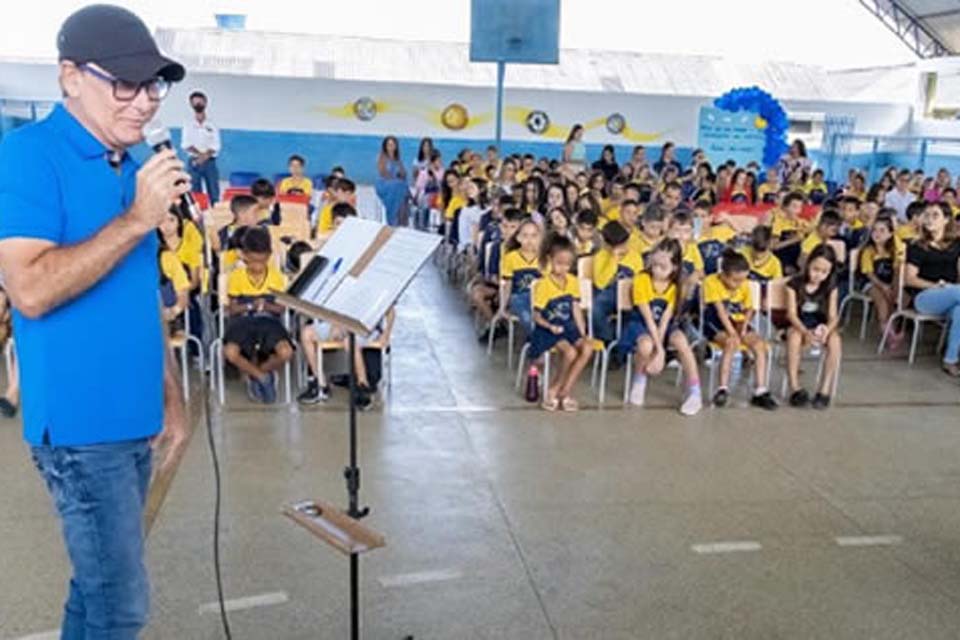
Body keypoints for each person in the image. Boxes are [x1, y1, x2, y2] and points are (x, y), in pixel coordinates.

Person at [0, 6, 189, 636]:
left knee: (97, 587)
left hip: (133, 416)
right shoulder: (28, 156)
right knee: (120, 603)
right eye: (125, 85)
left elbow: (141, 293)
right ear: (70, 77)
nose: (144, 104)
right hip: (81, 430)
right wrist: (136, 220)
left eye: (153, 87)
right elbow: (28, 287)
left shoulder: (131, 168)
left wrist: (170, 393)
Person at [625, 239, 702, 415]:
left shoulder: (676, 285)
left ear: (674, 267)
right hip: (642, 323)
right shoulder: (641, 279)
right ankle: (639, 379)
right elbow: (648, 317)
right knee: (646, 345)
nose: (656, 270)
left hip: (663, 325)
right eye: (654, 265)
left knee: (682, 341)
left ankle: (694, 392)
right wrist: (658, 351)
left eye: (663, 267)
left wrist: (661, 351)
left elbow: (666, 319)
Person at [223, 227, 294, 403]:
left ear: (269, 256)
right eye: (253, 261)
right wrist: (249, 305)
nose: (257, 266)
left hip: (269, 321)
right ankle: (262, 377)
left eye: (262, 262)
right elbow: (232, 309)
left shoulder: (276, 277)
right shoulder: (236, 276)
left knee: (286, 352)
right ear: (244, 256)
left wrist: (266, 306)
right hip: (242, 321)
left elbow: (281, 309)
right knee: (230, 352)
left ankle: (257, 371)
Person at [703, 250, 777, 410]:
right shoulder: (711, 282)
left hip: (738, 320)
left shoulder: (744, 283)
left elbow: (750, 308)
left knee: (758, 344)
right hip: (716, 322)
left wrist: (743, 327)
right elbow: (720, 311)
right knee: (731, 343)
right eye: (735, 280)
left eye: (742, 279)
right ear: (723, 275)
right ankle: (722, 389)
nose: (739, 284)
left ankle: (760, 390)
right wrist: (733, 333)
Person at [527, 234, 593, 412]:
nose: (563, 268)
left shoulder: (572, 282)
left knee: (587, 347)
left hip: (568, 327)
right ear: (550, 259)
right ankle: (553, 388)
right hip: (548, 329)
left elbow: (576, 309)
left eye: (567, 264)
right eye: (559, 263)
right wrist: (550, 326)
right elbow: (536, 316)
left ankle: (565, 390)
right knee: (570, 353)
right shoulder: (543, 285)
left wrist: (583, 333)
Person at [904, 202, 960, 377]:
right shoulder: (917, 245)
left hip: (952, 295)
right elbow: (909, 279)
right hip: (925, 297)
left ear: (946, 220)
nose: (929, 219)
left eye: (935, 215)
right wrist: (936, 286)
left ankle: (950, 360)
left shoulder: (956, 244)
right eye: (927, 215)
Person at [785, 244, 842, 409]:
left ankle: (824, 390)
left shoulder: (831, 287)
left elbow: (833, 316)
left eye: (824, 272)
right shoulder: (794, 284)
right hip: (799, 324)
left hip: (820, 325)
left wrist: (826, 330)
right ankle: (795, 388)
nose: (819, 275)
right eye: (816, 269)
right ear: (808, 264)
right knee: (794, 337)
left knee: (835, 341)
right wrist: (805, 332)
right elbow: (792, 314)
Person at [591, 221, 643, 354]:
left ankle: (623, 347)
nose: (623, 247)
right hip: (609, 294)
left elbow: (640, 278)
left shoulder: (634, 256)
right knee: (596, 309)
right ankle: (610, 342)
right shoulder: (601, 256)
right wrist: (613, 259)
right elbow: (600, 283)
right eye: (618, 245)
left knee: (636, 316)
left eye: (624, 243)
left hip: (630, 293)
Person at [860, 215, 904, 343]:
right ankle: (887, 334)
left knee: (900, 299)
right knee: (882, 301)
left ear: (891, 234)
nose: (877, 233)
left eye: (882, 230)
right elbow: (869, 274)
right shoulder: (869, 251)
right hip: (871, 283)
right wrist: (883, 286)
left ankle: (891, 326)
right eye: (874, 230)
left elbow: (897, 270)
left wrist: (893, 288)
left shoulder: (894, 250)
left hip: (889, 283)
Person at [500, 218, 543, 335]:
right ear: (518, 238)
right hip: (518, 298)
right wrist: (503, 307)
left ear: (539, 238)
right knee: (527, 317)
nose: (530, 240)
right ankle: (537, 340)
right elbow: (507, 284)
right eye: (525, 235)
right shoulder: (511, 258)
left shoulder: (544, 259)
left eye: (534, 236)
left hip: (539, 299)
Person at [182, 89, 221, 203]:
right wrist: (199, 156)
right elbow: (185, 144)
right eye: (195, 103)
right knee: (195, 195)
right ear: (191, 105)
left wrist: (204, 157)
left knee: (214, 193)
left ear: (205, 103)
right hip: (194, 163)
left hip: (210, 162)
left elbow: (216, 145)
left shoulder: (212, 124)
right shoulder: (188, 124)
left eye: (200, 102)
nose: (198, 105)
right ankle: (198, 219)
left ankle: (216, 217)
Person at [375, 135, 409, 226]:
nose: (391, 147)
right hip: (384, 184)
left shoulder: (398, 159)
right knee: (397, 186)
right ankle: (393, 218)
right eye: (389, 145)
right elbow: (383, 173)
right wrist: (396, 177)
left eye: (393, 145)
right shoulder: (381, 158)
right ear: (385, 146)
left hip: (396, 184)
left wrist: (401, 175)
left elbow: (404, 173)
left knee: (403, 186)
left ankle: (401, 219)